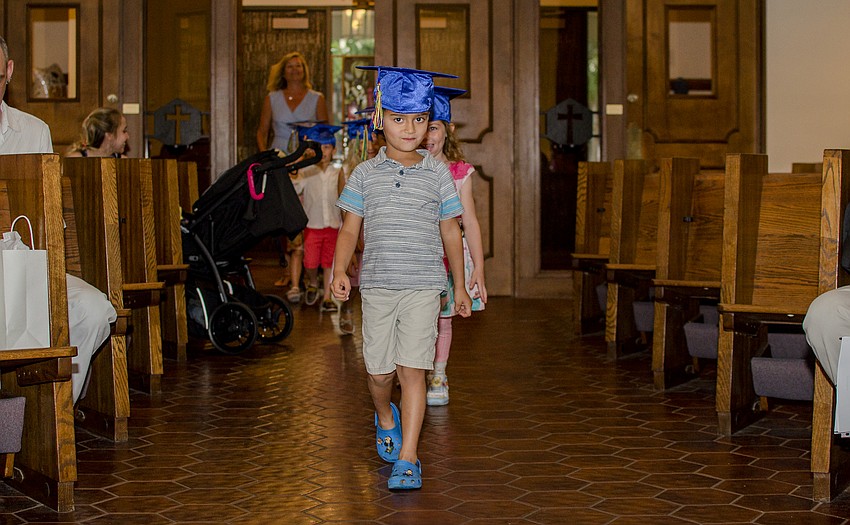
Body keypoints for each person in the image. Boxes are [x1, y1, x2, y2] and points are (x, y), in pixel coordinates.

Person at [331, 66, 472, 491]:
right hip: (377, 286)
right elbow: (349, 229)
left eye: (419, 119)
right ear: (380, 119)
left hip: (425, 286)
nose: (410, 129)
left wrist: (459, 285)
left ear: (429, 122)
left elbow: (451, 231)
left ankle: (408, 457)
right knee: (379, 374)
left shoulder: (438, 173)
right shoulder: (364, 174)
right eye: (398, 118)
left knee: (413, 371)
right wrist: (339, 269)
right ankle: (385, 415)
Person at [0, 35, 116, 404]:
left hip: (22, 266)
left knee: (94, 310)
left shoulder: (33, 131)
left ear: (9, 70)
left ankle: (52, 413)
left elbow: (48, 219)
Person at [421, 86, 488, 406]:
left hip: (451, 257)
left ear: (448, 130)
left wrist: (480, 267)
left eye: (434, 127)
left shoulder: (460, 173)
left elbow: (470, 222)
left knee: (443, 319)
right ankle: (414, 371)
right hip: (419, 255)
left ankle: (438, 373)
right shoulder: (410, 170)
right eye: (423, 126)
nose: (427, 135)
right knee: (417, 319)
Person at [256, 51, 328, 294]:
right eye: (290, 66)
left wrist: (317, 155)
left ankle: (310, 266)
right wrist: (265, 158)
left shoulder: (317, 98)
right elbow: (262, 130)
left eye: (299, 66)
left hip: (306, 163)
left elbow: (324, 131)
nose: (295, 70)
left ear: (304, 70)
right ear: (283, 71)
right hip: (280, 163)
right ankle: (287, 268)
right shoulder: (272, 98)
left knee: (307, 210)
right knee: (284, 212)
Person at [291, 123, 345, 310]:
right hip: (312, 225)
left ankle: (327, 297)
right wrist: (298, 161)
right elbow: (295, 187)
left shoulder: (337, 173)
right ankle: (313, 282)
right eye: (319, 147)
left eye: (327, 147)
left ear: (334, 150)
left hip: (332, 224)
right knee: (310, 262)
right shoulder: (306, 172)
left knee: (329, 262)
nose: (323, 151)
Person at [65, 107, 129, 158]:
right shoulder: (76, 159)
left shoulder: (123, 162)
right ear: (109, 135)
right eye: (124, 131)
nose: (128, 136)